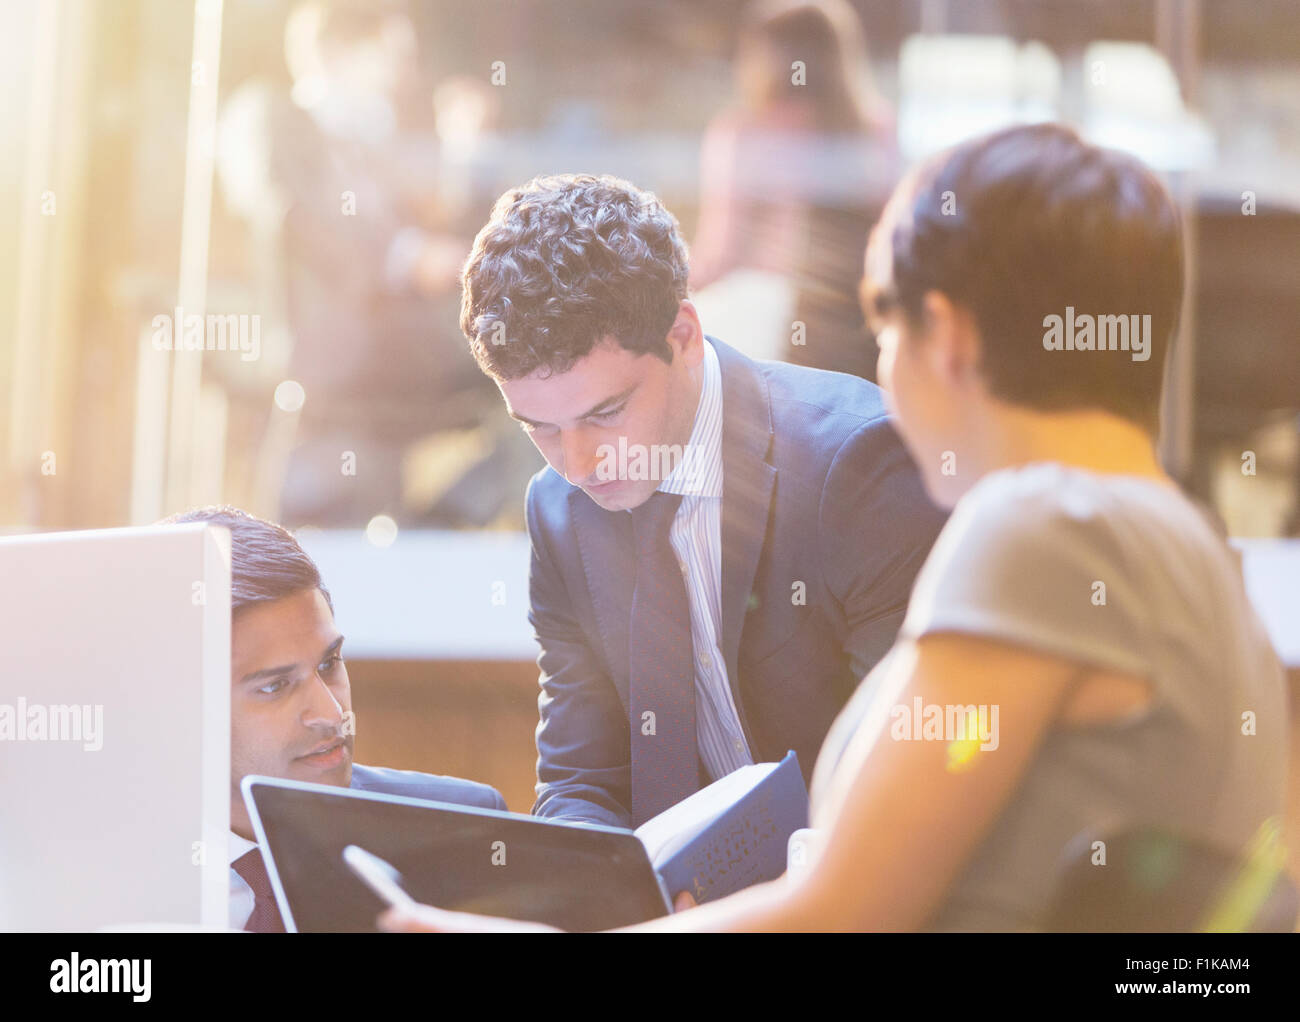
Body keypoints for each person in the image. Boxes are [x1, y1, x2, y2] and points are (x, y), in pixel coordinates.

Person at [379, 123, 1289, 933]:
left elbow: (847, 905)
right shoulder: (1174, 536)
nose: (876, 378)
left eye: (880, 328)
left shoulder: (1037, 531)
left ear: (948, 337)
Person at [454, 172, 945, 843]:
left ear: (683, 335)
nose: (579, 464)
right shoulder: (558, 512)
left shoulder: (857, 468)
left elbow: (925, 774)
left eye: (606, 413)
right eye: (537, 427)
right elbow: (582, 783)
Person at [164, 506, 505, 932]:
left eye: (329, 663)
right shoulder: (89, 870)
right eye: (275, 686)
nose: (332, 714)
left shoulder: (467, 834)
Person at [690, 0, 897, 379]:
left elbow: (719, 255)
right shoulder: (877, 130)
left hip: (769, 325)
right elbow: (890, 241)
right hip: (857, 328)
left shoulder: (742, 133)